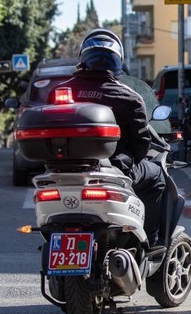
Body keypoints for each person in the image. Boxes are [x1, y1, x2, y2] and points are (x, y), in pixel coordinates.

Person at [51, 29, 166, 246]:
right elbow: (141, 149)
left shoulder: (60, 92)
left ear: (83, 58)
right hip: (112, 171)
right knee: (157, 177)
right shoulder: (128, 97)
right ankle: (148, 242)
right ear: (117, 62)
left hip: (61, 171)